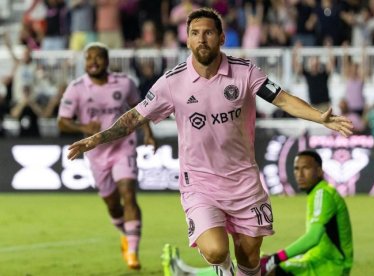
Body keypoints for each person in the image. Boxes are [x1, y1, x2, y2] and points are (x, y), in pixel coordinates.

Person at [66, 8, 353, 276]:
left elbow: (283, 99)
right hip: (200, 183)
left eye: (208, 33)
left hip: (244, 181)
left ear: (221, 38)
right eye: (195, 33)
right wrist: (96, 139)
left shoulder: (245, 72)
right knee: (216, 251)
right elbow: (135, 116)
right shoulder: (171, 82)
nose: (201, 39)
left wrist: (319, 117)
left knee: (250, 256)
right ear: (187, 40)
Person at [57, 42, 156, 270]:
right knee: (112, 204)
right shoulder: (76, 88)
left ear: (107, 60)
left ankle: (132, 252)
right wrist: (83, 127)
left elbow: (139, 110)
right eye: (89, 57)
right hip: (96, 153)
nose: (93, 61)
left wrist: (148, 135)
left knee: (128, 193)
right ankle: (126, 234)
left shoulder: (124, 83)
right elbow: (62, 122)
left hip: (123, 146)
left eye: (98, 57)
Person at [261, 150, 353, 276]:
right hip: (317, 260)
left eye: (306, 168)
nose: (300, 174)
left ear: (320, 171)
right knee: (260, 260)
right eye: (297, 169)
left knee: (263, 269)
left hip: (329, 266)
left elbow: (313, 238)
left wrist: (276, 258)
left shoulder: (323, 194)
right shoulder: (317, 193)